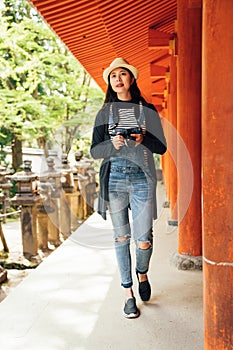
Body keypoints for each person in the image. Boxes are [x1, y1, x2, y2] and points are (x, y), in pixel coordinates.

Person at [90, 58, 167, 318]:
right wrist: (114, 144)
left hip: (142, 178)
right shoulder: (104, 113)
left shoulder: (147, 110)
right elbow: (95, 151)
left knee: (143, 239)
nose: (118, 79)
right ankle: (128, 293)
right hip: (115, 180)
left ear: (132, 79)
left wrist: (143, 139)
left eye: (123, 74)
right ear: (110, 83)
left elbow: (162, 147)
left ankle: (142, 274)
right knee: (121, 238)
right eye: (114, 76)